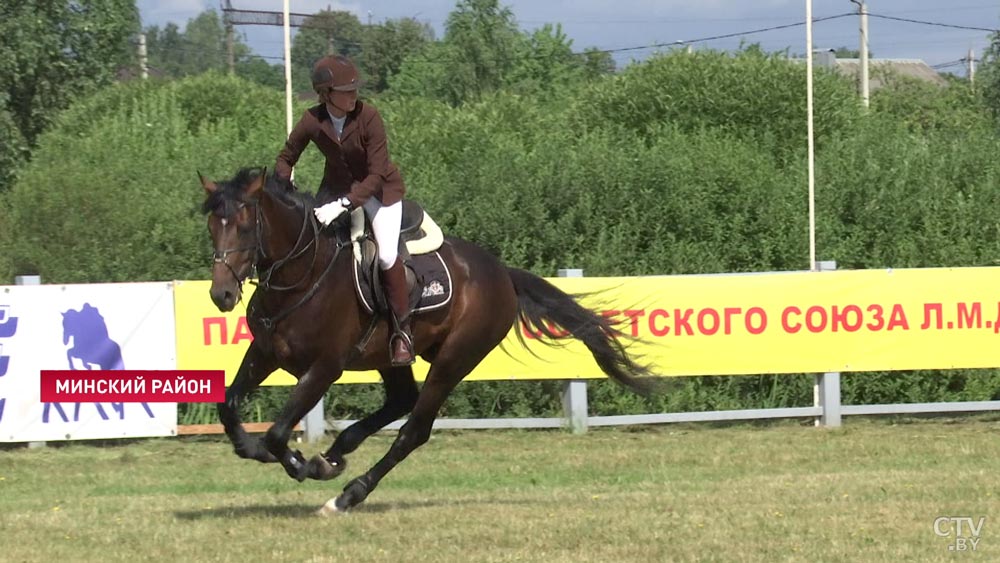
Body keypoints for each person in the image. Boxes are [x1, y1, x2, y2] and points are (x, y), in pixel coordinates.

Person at [274, 54, 413, 366]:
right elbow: (286, 157)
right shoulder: (312, 120)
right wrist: (283, 187)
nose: (353, 96)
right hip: (333, 191)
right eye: (346, 91)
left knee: (388, 255)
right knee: (308, 245)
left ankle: (402, 334)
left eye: (354, 89)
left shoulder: (369, 117)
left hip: (379, 193)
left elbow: (376, 174)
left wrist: (345, 204)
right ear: (325, 95)